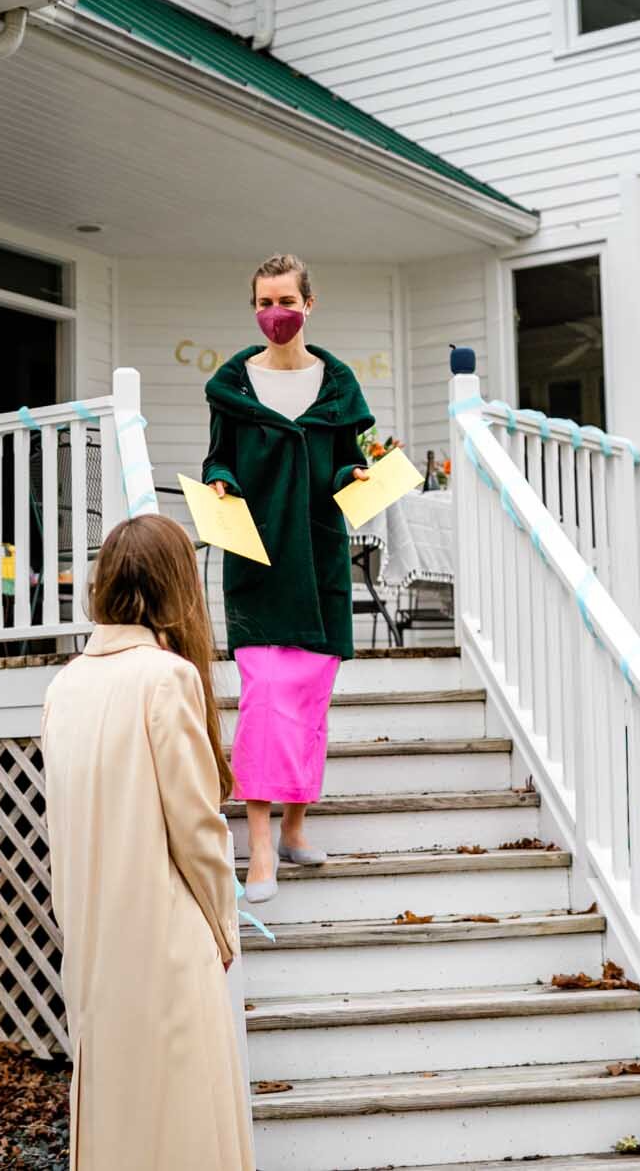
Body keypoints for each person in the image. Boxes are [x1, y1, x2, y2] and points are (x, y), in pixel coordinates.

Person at [41, 514, 256, 1171]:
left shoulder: (63, 686)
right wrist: (223, 927)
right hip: (168, 949)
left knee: (120, 1136)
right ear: (177, 587)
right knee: (185, 1138)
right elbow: (199, 831)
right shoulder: (167, 679)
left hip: (95, 948)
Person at [203, 254, 374, 902]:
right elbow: (219, 456)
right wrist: (222, 479)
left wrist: (353, 477)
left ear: (310, 303)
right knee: (263, 703)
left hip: (320, 565)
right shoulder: (233, 387)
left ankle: (297, 827)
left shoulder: (336, 387)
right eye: (263, 302)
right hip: (256, 562)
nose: (275, 313)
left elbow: (345, 468)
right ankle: (262, 849)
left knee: (307, 705)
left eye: (286, 301)